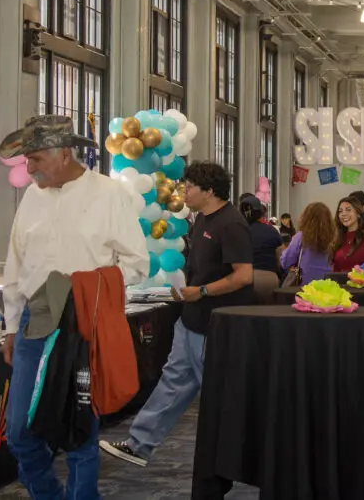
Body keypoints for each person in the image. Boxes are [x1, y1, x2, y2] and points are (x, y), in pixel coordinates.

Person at [0, 116, 148, 497]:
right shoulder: (31, 195)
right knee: (18, 431)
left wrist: (86, 285)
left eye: (35, 159)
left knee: (82, 429)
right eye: (27, 161)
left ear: (65, 153)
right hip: (37, 318)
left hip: (86, 320)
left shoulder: (109, 194)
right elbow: (17, 264)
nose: (29, 168)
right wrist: (12, 326)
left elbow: (137, 263)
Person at [101, 161, 253, 469]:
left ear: (210, 190)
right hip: (191, 319)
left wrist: (204, 291)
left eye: (191, 186)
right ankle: (139, 444)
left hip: (216, 323)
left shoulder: (231, 224)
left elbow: (244, 276)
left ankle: (243, 456)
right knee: (172, 382)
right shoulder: (201, 221)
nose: (184, 190)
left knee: (222, 396)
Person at [280, 202, 335, 284]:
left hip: (305, 286)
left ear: (306, 218)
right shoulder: (335, 238)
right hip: (329, 285)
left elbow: (285, 262)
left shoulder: (301, 237)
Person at [329, 197, 364, 272]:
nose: (343, 214)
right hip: (340, 282)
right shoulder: (338, 237)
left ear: (358, 214)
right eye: (340, 211)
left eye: (348, 210)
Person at [240, 194, 283, 278]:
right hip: (269, 277)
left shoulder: (237, 231)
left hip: (244, 277)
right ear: (261, 212)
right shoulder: (272, 230)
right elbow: (281, 259)